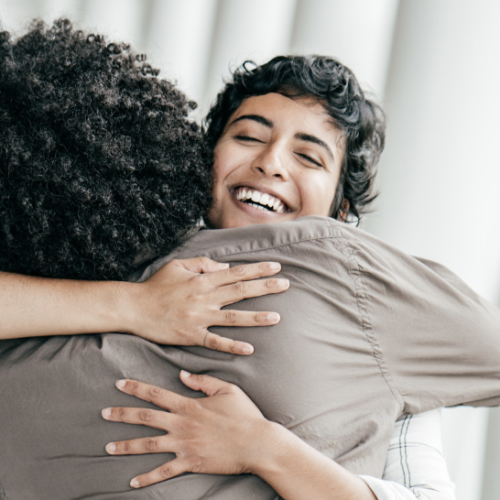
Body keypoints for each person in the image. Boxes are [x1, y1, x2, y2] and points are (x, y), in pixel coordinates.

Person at [0, 19, 480, 500]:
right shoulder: (103, 235)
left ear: (340, 210)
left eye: (310, 158)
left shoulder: (363, 323)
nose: (271, 162)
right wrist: (137, 305)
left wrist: (263, 447)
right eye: (249, 136)